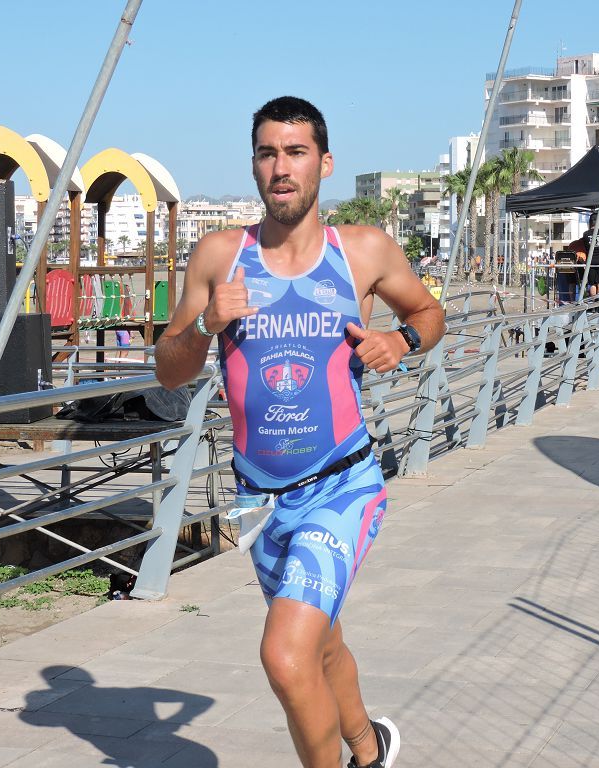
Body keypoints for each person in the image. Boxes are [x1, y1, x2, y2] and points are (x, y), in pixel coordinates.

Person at [154, 96, 445, 768]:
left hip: (342, 488)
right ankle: (371, 750)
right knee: (320, 644)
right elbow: (170, 371)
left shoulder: (363, 250)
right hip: (261, 502)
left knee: (285, 656)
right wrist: (205, 325)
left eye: (296, 152)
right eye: (267, 153)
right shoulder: (218, 257)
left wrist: (398, 341)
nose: (281, 167)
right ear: (254, 164)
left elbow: (429, 314)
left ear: (325, 163)